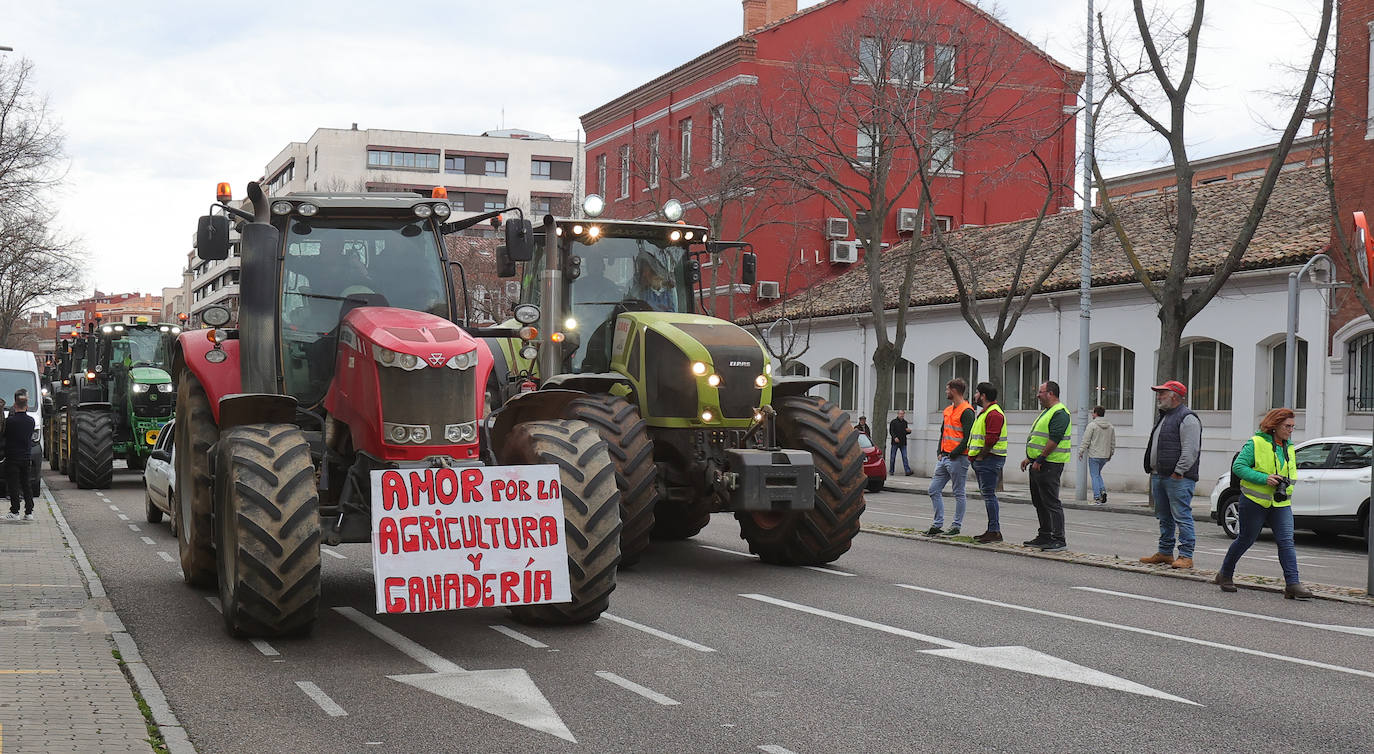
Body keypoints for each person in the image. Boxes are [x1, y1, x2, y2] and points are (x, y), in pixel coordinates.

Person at [1214, 408, 1313, 599]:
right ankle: (1225, 574)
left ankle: (1292, 584)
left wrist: (1284, 488)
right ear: (1274, 425)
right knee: (1246, 539)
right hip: (1254, 501)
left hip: (1280, 503)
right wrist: (1264, 478)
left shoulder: (1289, 447)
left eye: (1293, 426)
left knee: (1286, 542)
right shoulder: (1256, 443)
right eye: (1287, 426)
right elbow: (1239, 467)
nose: (1291, 430)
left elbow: (1291, 474)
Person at [1139, 380, 1202, 569]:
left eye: (1162, 393)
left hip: (1177, 477)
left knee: (1182, 516)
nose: (1158, 397)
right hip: (1160, 475)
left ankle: (1186, 555)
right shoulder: (1165, 416)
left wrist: (1178, 471)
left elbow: (1191, 449)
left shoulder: (1187, 418)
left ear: (1174, 396)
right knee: (1164, 516)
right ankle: (1165, 552)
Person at [1019, 381, 1071, 551]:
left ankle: (1058, 539)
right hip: (1038, 463)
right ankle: (1045, 535)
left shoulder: (1060, 413)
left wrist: (1040, 459)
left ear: (1050, 393)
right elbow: (1040, 438)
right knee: (1039, 502)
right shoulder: (1046, 412)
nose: (1037, 395)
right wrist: (1030, 458)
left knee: (1051, 502)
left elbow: (1054, 439)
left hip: (1049, 464)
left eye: (1040, 392)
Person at [924, 378, 975, 536]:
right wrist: (940, 450)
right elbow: (943, 431)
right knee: (933, 489)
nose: (946, 392)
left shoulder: (967, 411)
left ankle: (956, 526)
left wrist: (954, 453)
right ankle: (938, 524)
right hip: (945, 457)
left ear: (954, 390)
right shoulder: (948, 410)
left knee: (958, 492)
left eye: (947, 389)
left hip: (958, 458)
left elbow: (967, 438)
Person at [967, 381, 1007, 544]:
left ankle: (994, 531)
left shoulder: (993, 413)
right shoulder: (986, 412)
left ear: (983, 395)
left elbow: (991, 439)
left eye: (977, 393)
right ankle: (992, 530)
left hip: (989, 459)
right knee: (988, 495)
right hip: (984, 460)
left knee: (989, 495)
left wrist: (981, 457)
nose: (975, 396)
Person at [4, 394, 36, 521]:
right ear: (27, 407)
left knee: (14, 485)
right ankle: (29, 512)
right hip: (26, 457)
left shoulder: (10, 421)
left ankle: (15, 511)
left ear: (15, 405)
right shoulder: (31, 421)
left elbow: (5, 435)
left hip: (12, 457)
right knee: (26, 484)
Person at [1080, 406, 1116, 505]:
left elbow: (1086, 440)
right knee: (1098, 474)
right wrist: (1111, 453)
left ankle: (1097, 497)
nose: (1092, 414)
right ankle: (1102, 490)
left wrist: (1081, 451)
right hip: (1105, 456)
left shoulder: (1092, 425)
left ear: (1096, 413)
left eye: (1093, 413)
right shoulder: (1110, 426)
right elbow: (1113, 442)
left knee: (1094, 475)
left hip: (1094, 455)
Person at [888, 409, 913, 476]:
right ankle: (891, 470)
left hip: (903, 442)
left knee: (904, 457)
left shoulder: (905, 422)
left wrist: (909, 431)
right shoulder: (893, 422)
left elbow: (905, 432)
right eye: (900, 414)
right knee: (893, 457)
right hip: (895, 442)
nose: (901, 415)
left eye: (903, 414)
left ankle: (907, 471)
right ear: (898, 414)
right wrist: (895, 437)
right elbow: (891, 431)